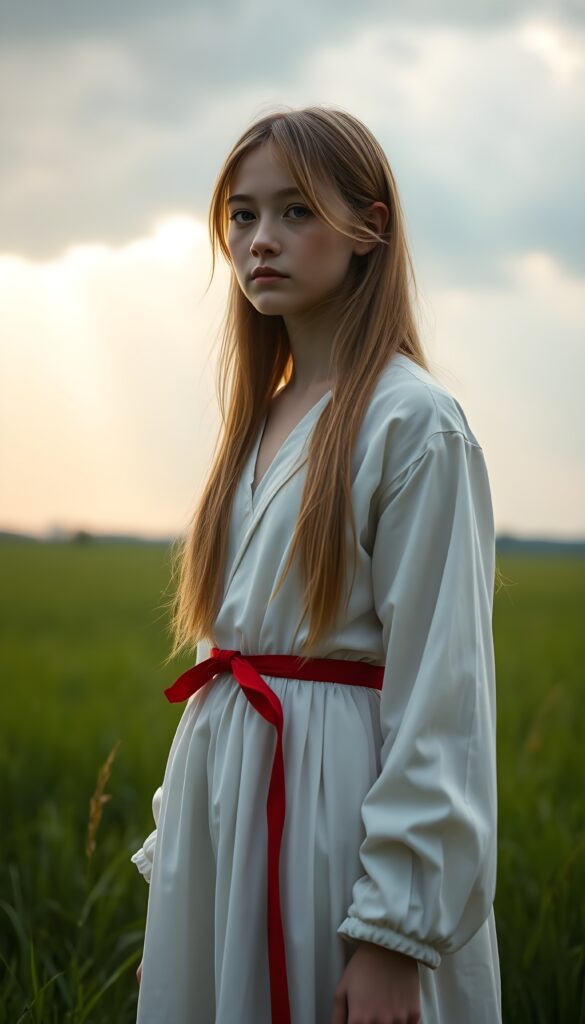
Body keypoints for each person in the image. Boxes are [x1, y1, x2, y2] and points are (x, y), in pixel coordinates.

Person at [130, 105, 502, 1024]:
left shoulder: (414, 423)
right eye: (243, 214)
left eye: (296, 212)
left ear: (368, 227)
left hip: (333, 823)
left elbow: (441, 697)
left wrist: (390, 933)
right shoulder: (260, 419)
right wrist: (186, 887)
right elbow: (227, 672)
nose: (261, 240)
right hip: (233, 812)